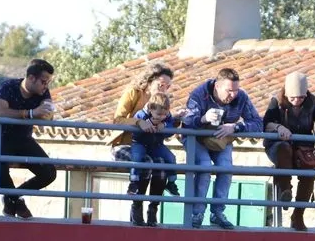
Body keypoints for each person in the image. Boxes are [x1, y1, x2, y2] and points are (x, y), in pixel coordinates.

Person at [182, 68, 263, 230]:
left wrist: (235, 127)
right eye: (229, 91)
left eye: (235, 90)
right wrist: (204, 118)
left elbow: (258, 123)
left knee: (225, 168)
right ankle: (196, 213)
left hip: (221, 140)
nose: (233, 95)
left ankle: (217, 212)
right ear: (217, 86)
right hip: (196, 138)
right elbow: (187, 120)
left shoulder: (241, 97)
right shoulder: (199, 93)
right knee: (204, 167)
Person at [262, 72, 315, 232]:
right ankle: (285, 189)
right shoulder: (276, 101)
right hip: (280, 145)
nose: (297, 101)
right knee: (283, 149)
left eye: (301, 97)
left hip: (304, 148)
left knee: (309, 176)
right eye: (293, 97)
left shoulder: (313, 102)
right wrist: (279, 127)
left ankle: (298, 214)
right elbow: (266, 123)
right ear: (287, 94)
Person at [112, 62, 183, 225]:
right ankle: (137, 206)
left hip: (150, 146)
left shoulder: (162, 101)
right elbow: (118, 119)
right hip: (126, 144)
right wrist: (138, 123)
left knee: (162, 165)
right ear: (150, 81)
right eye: (160, 84)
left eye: (167, 86)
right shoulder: (133, 93)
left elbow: (169, 124)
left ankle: (153, 208)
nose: (163, 89)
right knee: (146, 163)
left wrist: (174, 120)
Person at [0, 59, 57, 219]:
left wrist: (44, 113)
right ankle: (17, 202)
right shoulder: (9, 87)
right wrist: (31, 113)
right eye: (43, 82)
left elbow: (48, 114)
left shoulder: (43, 93)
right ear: (31, 78)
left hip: (24, 140)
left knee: (49, 173)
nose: (45, 86)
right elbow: (0, 112)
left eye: (48, 83)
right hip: (1, 138)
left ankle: (12, 199)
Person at [127, 92, 179, 226]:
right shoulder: (141, 115)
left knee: (170, 158)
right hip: (140, 143)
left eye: (164, 114)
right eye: (158, 115)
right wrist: (142, 124)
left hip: (156, 145)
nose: (161, 117)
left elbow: (172, 128)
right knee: (138, 159)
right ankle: (134, 183)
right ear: (150, 110)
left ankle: (171, 183)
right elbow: (133, 126)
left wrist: (165, 127)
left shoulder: (166, 117)